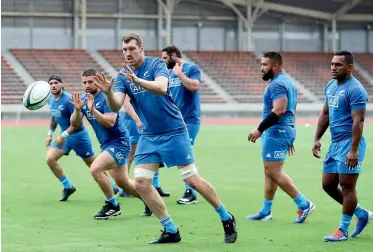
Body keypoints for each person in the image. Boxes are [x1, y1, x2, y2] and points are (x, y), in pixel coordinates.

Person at [93, 33, 237, 244]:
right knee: (141, 183)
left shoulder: (156, 65)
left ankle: (226, 217)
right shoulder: (123, 75)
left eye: (132, 48)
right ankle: (170, 230)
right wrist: (107, 93)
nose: (128, 53)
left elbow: (161, 88)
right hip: (150, 135)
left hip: (175, 131)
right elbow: (116, 105)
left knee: (191, 180)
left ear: (141, 49)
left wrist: (138, 80)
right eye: (124, 49)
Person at [246, 52, 315, 223]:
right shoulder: (287, 83)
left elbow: (279, 110)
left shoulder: (277, 84)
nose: (261, 68)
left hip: (277, 131)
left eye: (265, 65)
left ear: (275, 66)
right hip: (282, 131)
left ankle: (304, 204)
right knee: (270, 172)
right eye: (261, 65)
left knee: (273, 171)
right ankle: (266, 210)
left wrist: (259, 129)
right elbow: (291, 109)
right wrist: (290, 132)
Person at [312, 50, 372, 242]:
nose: (333, 68)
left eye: (338, 64)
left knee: (347, 186)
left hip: (350, 143)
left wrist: (353, 150)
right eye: (332, 64)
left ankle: (343, 230)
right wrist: (317, 138)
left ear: (350, 67)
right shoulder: (330, 86)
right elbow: (325, 114)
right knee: (328, 185)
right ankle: (362, 214)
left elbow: (359, 122)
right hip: (335, 143)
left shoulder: (356, 89)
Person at [70, 69, 145, 219]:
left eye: (90, 81)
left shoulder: (106, 98)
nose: (87, 85)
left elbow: (110, 122)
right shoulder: (85, 99)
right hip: (107, 145)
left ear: (97, 81)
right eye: (84, 82)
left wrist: (93, 110)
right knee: (123, 183)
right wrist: (78, 110)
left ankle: (112, 205)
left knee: (95, 168)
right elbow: (75, 124)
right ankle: (150, 201)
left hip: (120, 143)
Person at [161, 45, 201, 205]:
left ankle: (190, 192)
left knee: (185, 153)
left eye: (165, 58)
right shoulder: (169, 73)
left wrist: (180, 74)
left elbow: (194, 86)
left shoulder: (191, 68)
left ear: (174, 55)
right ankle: (154, 187)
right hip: (174, 120)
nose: (163, 61)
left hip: (190, 120)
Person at [45, 75, 95, 201]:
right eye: (51, 83)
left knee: (93, 165)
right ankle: (68, 186)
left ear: (62, 84)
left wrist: (63, 135)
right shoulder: (50, 100)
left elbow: (77, 123)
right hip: (64, 136)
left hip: (79, 136)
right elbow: (54, 117)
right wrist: (50, 134)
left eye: (56, 83)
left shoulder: (68, 100)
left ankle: (112, 186)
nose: (53, 85)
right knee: (50, 159)